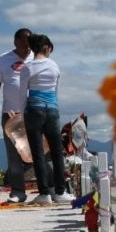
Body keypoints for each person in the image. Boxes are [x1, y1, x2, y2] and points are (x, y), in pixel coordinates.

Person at [16, 33, 74, 205]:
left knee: (38, 153)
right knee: (57, 152)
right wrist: (54, 108)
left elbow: (21, 94)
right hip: (52, 110)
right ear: (46, 47)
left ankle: (44, 193)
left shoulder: (27, 67)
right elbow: (56, 91)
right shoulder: (54, 66)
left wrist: (21, 113)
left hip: (34, 109)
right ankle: (60, 191)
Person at [0, 28, 33, 203]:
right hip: (11, 113)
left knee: (41, 151)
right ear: (15, 42)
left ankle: (47, 189)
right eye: (23, 42)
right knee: (14, 154)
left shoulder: (37, 57)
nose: (26, 47)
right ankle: (18, 191)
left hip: (34, 111)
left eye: (29, 43)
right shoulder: (3, 59)